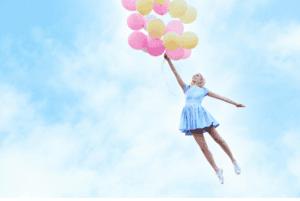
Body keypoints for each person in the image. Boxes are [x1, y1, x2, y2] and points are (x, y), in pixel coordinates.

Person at [164, 53, 246, 185]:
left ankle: (234, 161)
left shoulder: (204, 90)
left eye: (197, 75)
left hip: (201, 115)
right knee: (203, 147)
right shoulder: (186, 88)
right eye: (193, 75)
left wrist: (235, 103)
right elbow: (176, 74)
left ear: (201, 80)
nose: (194, 76)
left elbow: (221, 97)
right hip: (191, 119)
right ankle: (217, 170)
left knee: (218, 139)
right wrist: (168, 61)